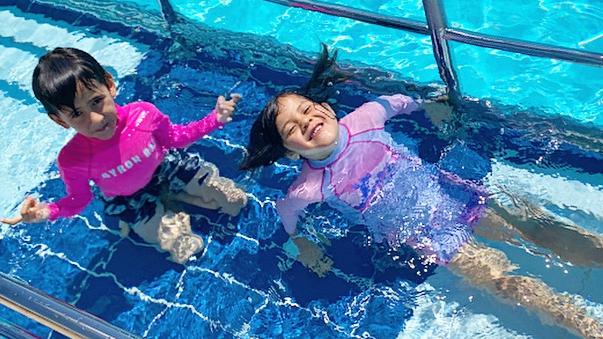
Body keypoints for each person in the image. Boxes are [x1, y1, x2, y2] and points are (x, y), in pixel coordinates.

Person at [240, 44, 603, 338]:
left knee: (534, 229)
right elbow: (286, 210)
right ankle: (586, 326)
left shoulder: (366, 117)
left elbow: (397, 101)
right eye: (292, 127)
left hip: (453, 197)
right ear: (289, 151)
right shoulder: (309, 187)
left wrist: (432, 106)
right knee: (505, 281)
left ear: (326, 107)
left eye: (307, 110)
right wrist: (300, 244)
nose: (306, 121)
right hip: (428, 239)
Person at [1, 47, 247, 264]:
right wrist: (44, 212)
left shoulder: (143, 114)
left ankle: (175, 196)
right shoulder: (72, 160)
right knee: (187, 249)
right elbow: (79, 200)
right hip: (129, 198)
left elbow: (175, 138)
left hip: (166, 167)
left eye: (96, 101)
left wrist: (213, 120)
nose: (95, 119)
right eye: (77, 114)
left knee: (235, 201)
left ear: (110, 85)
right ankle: (172, 202)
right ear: (59, 120)